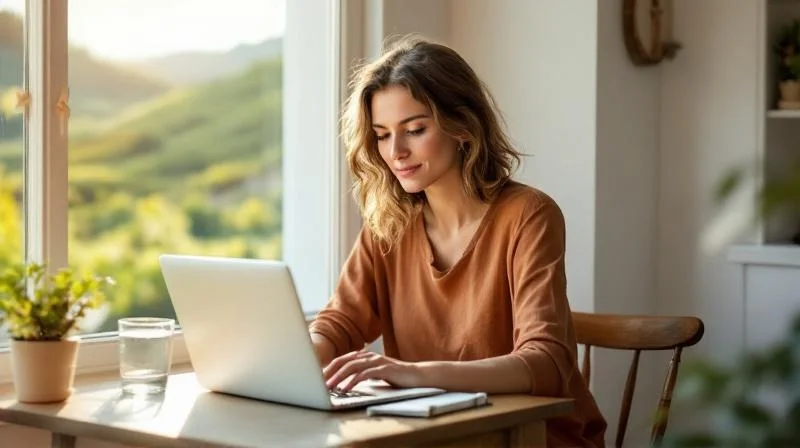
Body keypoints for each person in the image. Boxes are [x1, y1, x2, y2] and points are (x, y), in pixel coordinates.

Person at [308, 35, 607, 447]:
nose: (395, 151)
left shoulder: (528, 215)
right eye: (381, 135)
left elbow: (547, 363)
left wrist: (411, 372)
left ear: (462, 126)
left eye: (414, 129)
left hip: (533, 437)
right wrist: (296, 365)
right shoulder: (390, 223)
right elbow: (340, 323)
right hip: (435, 436)